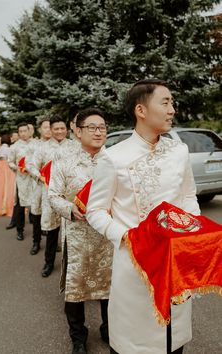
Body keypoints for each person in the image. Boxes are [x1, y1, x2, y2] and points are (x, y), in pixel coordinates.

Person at [86, 79, 201, 354]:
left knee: (174, 338)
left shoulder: (179, 151)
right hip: (134, 263)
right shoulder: (113, 158)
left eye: (172, 102)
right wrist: (126, 237)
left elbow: (188, 196)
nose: (172, 109)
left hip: (174, 258)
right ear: (141, 110)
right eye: (165, 102)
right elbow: (96, 210)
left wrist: (193, 234)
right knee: (135, 341)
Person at [48, 108, 113, 354]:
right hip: (78, 236)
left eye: (102, 127)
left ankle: (109, 329)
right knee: (76, 290)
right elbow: (53, 195)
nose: (98, 132)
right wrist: (70, 208)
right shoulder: (64, 161)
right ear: (78, 131)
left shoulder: (114, 160)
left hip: (108, 237)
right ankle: (78, 337)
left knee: (111, 286)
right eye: (92, 127)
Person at [27, 114, 68, 277]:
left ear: (67, 129)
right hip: (50, 193)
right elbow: (31, 165)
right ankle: (48, 262)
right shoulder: (42, 148)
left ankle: (69, 267)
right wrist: (41, 176)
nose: (59, 131)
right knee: (52, 230)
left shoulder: (73, 146)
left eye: (62, 128)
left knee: (68, 232)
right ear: (50, 130)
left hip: (69, 196)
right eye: (56, 128)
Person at [26, 116, 51, 255]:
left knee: (53, 215)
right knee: (36, 213)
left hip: (53, 187)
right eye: (45, 127)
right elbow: (29, 165)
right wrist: (40, 175)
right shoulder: (33, 146)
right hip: (38, 185)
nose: (48, 130)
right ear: (40, 129)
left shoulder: (57, 145)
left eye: (50, 127)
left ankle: (52, 242)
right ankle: (36, 241)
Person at [8, 122, 34, 241]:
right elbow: (10, 162)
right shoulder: (14, 147)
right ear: (18, 133)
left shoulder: (36, 144)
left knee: (37, 203)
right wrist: (18, 168)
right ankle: (20, 230)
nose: (23, 133)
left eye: (25, 131)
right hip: (21, 179)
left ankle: (40, 230)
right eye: (21, 132)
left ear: (29, 131)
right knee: (20, 206)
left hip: (35, 179)